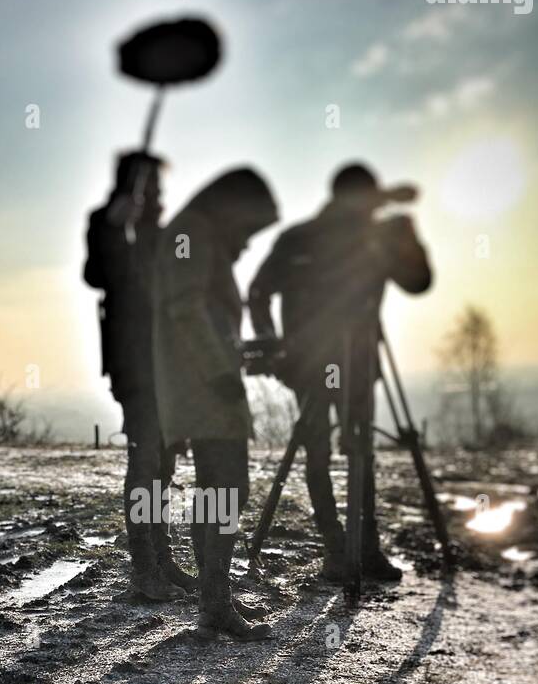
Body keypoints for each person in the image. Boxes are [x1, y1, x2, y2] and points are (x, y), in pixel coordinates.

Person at [248, 162, 432, 581]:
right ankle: (340, 551)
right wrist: (273, 345)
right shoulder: (301, 238)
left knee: (356, 450)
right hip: (311, 362)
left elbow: (419, 281)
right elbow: (259, 291)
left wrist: (407, 239)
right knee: (321, 449)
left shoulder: (376, 237)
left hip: (357, 360)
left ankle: (362, 551)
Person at [153, 167, 279, 640]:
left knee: (215, 491)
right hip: (205, 387)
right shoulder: (193, 232)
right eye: (248, 228)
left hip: (201, 380)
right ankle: (214, 605)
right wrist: (223, 371)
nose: (246, 243)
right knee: (227, 490)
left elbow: (196, 314)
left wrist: (240, 352)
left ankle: (214, 601)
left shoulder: (193, 231)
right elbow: (184, 310)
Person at [83, 151, 196, 601]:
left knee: (164, 466)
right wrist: (113, 228)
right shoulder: (108, 224)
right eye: (149, 187)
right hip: (135, 366)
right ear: (130, 187)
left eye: (160, 189)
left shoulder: (164, 235)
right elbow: (96, 274)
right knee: (146, 462)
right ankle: (144, 568)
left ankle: (162, 560)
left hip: (171, 366)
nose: (158, 197)